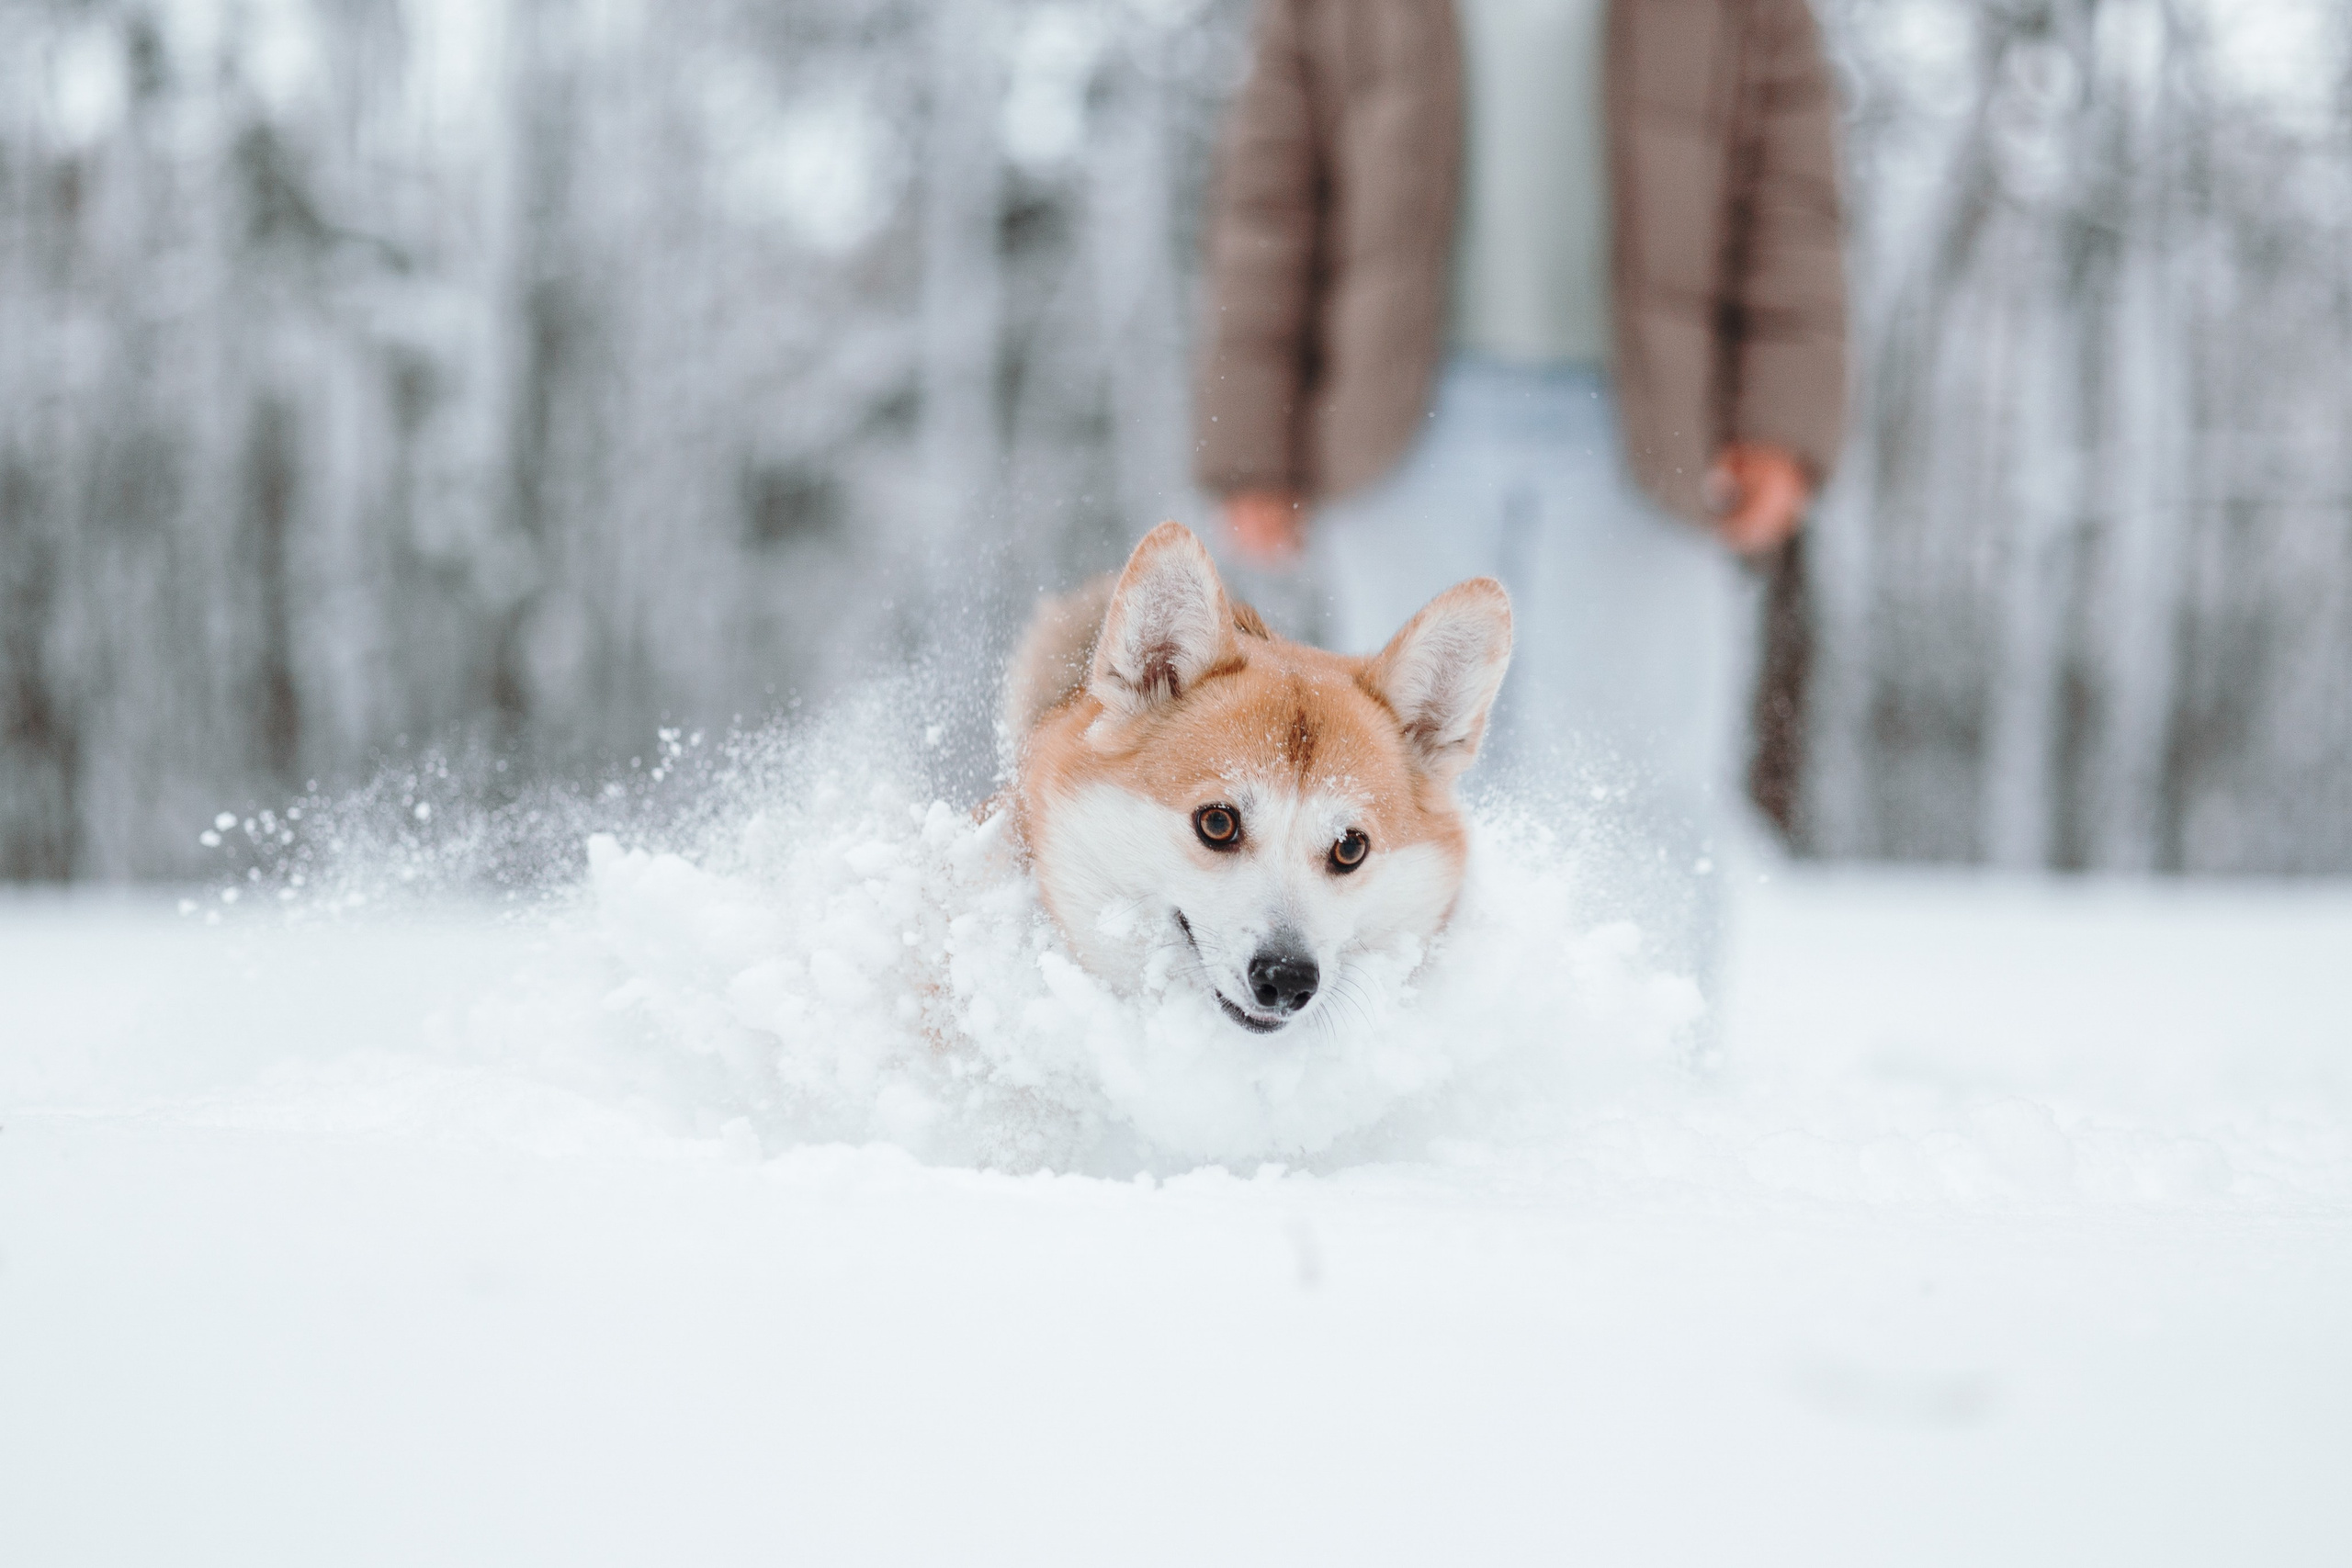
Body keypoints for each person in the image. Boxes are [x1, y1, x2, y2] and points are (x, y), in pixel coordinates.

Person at [1192, 0, 1849, 998]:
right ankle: (1402, 1050)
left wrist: (1782, 420)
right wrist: (1254, 435)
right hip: (1401, 417)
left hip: (1654, 421)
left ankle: (1647, 1060)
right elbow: (1275, 182)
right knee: (1386, 772)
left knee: (1643, 775)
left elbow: (1791, 180)